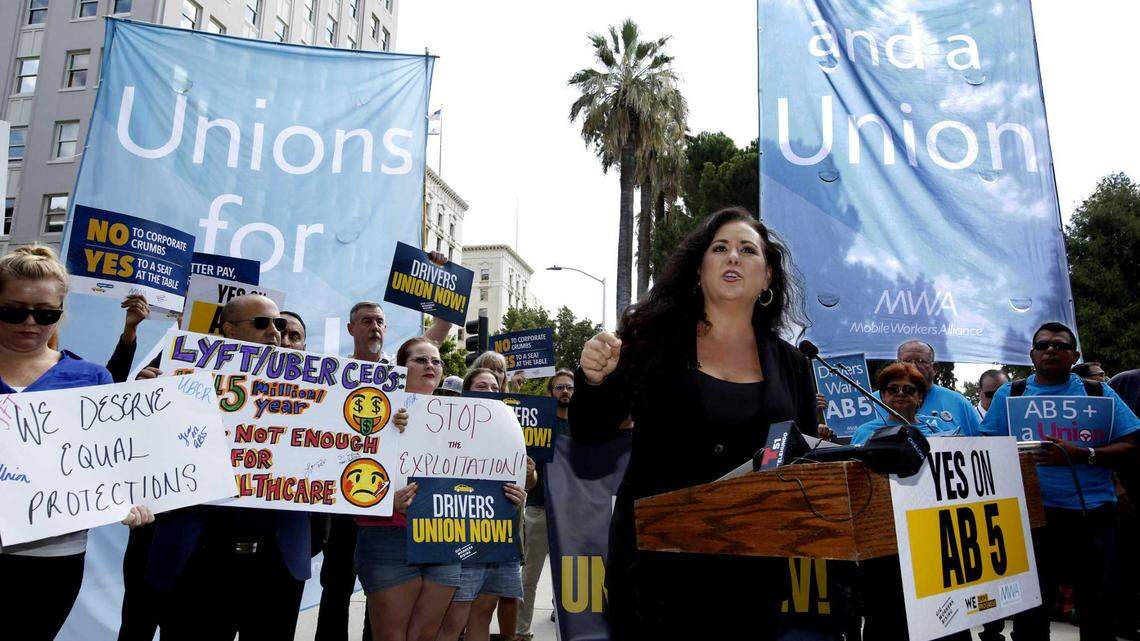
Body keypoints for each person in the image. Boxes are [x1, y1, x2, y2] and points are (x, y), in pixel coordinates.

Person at [571, 207, 818, 638]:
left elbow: (803, 463)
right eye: (719, 248)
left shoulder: (793, 365)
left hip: (752, 575)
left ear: (767, 279)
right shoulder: (649, 342)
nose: (733, 257)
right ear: (699, 270)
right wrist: (593, 380)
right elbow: (592, 429)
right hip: (654, 572)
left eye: (747, 250)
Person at [0, 245, 155, 639]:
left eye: (46, 313)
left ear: (61, 311)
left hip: (53, 559)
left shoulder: (91, 379)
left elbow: (114, 462)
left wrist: (133, 496)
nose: (30, 322)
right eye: (14, 311)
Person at [148, 294, 311, 640]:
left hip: (277, 561)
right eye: (261, 323)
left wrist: (392, 426)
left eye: (279, 324)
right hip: (198, 558)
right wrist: (147, 401)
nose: (274, 332)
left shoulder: (314, 391)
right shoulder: (180, 379)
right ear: (228, 330)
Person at [979, 321, 1140, 641]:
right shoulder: (1010, 395)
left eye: (1061, 345)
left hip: (1092, 516)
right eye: (1043, 345)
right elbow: (985, 451)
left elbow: (1133, 445)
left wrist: (1083, 454)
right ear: (1032, 354)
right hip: (1029, 520)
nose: (1051, 349)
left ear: (1074, 356)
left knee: (1097, 612)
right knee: (1030, 616)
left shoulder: (1098, 392)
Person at [317, 296, 452, 641]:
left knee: (380, 602)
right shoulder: (335, 374)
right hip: (349, 499)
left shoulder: (396, 375)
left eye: (379, 321)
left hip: (392, 507)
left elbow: (431, 345)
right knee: (337, 585)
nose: (374, 327)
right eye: (366, 321)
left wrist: (444, 290)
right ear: (351, 329)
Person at [848, 363, 970, 641]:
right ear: (882, 395)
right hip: (887, 538)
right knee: (887, 615)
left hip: (936, 535)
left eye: (908, 389)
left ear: (920, 398)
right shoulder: (866, 432)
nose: (900, 394)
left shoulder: (940, 429)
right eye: (892, 389)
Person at [354, 336, 460, 641]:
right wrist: (387, 502)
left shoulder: (462, 418)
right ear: (401, 367)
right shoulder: (373, 408)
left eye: (436, 361)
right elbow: (347, 472)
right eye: (421, 360)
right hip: (389, 536)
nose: (431, 365)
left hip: (444, 537)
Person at [517, 369, 574, 640]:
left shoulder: (584, 423)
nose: (565, 392)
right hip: (539, 506)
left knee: (570, 573)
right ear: (551, 392)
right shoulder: (539, 422)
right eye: (560, 387)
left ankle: (564, 617)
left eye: (569, 387)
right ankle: (521, 631)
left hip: (571, 510)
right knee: (530, 575)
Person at [874, 340, 981, 436]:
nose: (913, 366)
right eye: (906, 361)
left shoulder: (958, 403)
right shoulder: (871, 401)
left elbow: (982, 444)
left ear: (934, 368)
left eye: (920, 361)